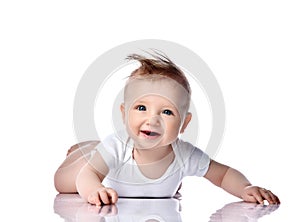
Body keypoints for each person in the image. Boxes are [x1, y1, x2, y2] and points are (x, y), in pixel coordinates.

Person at [54, 52, 280, 207]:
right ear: (124, 114)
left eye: (167, 112)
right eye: (141, 107)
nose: (152, 119)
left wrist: (245, 188)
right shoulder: (118, 146)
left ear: (184, 124)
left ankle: (95, 149)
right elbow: (88, 176)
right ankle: (86, 149)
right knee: (64, 183)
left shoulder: (184, 154)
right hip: (100, 165)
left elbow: (222, 174)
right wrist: (94, 190)